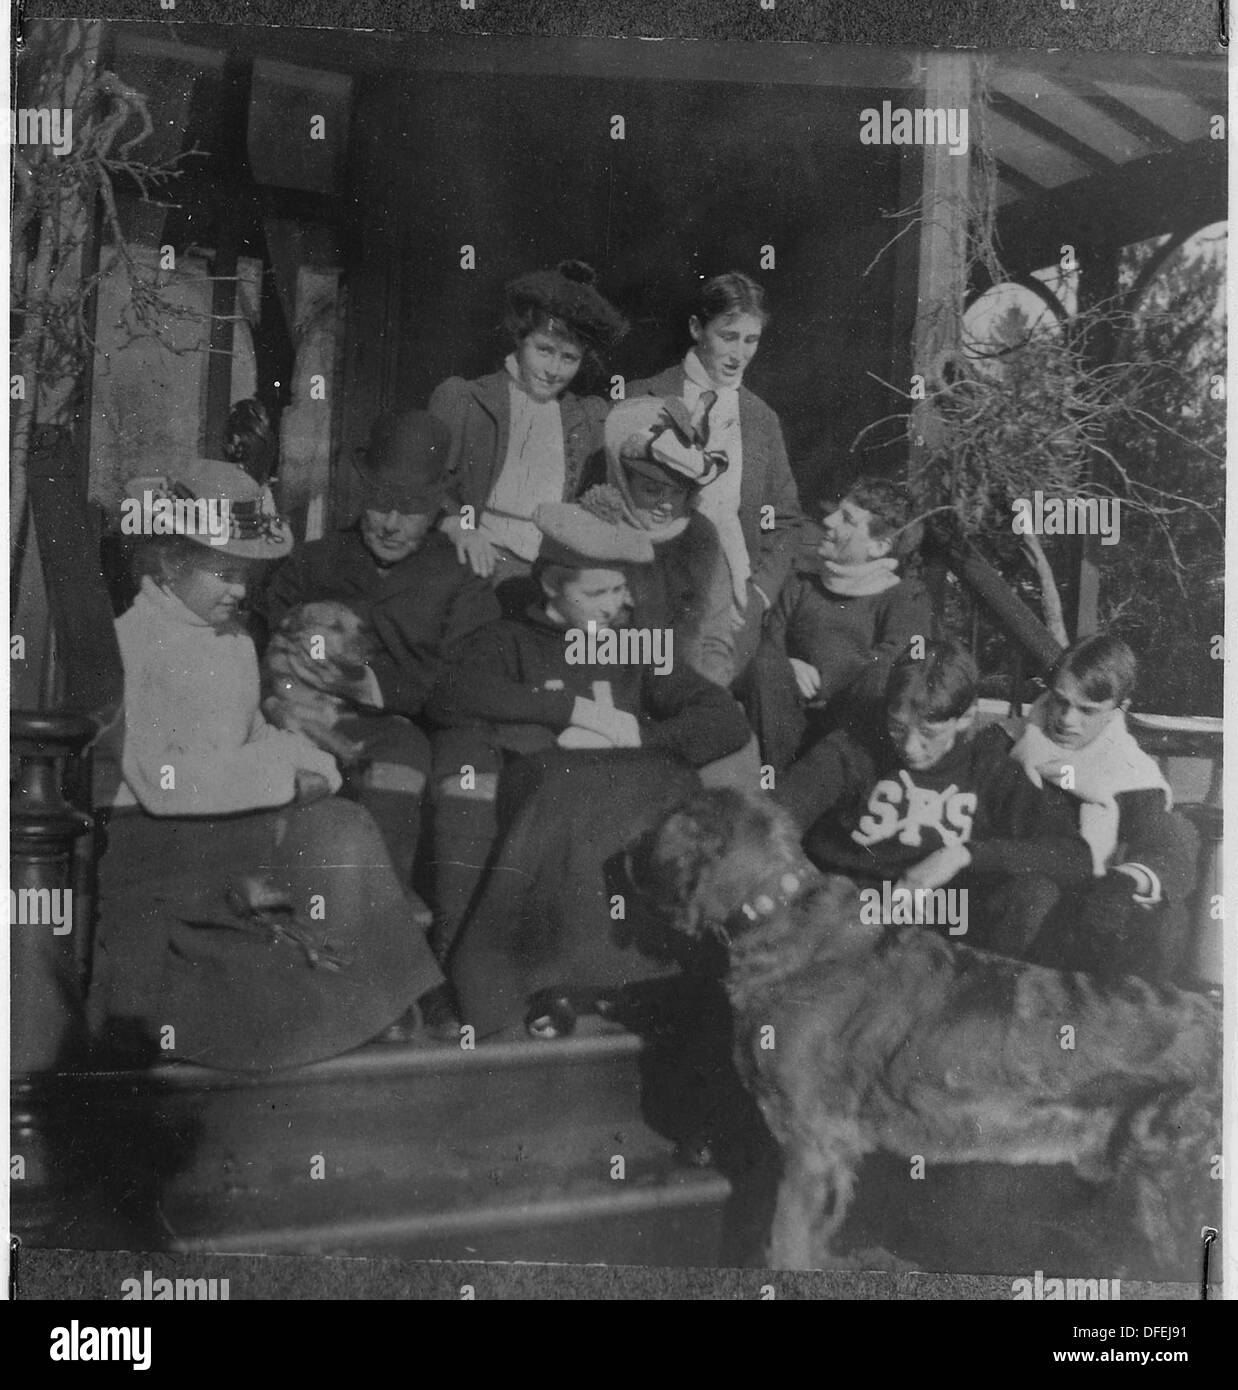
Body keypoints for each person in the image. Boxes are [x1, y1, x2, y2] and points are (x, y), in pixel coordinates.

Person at [90, 461, 445, 1071]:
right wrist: (282, 781)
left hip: (222, 815)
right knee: (339, 830)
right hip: (150, 837)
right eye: (222, 573)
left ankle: (376, 998)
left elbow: (255, 731)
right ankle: (369, 1003)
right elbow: (160, 783)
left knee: (340, 820)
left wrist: (313, 769)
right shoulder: (133, 642)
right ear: (171, 564)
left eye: (245, 576)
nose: (238, 590)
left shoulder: (229, 640)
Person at [424, 499, 752, 1022]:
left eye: (621, 590)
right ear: (551, 586)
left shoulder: (637, 646)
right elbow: (452, 693)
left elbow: (724, 720)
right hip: (554, 827)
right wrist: (570, 711)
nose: (612, 607)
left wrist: (636, 733)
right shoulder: (509, 641)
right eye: (595, 593)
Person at [261, 410, 500, 886]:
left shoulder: (459, 579)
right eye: (380, 503)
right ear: (362, 494)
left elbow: (463, 683)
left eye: (410, 510)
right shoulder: (313, 562)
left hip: (417, 732)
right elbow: (265, 641)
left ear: (437, 511)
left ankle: (392, 914)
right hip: (305, 724)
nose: (391, 524)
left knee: (411, 771)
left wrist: (370, 684)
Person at [775, 639, 1094, 954]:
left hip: (944, 931)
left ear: (967, 716)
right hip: (853, 917)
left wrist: (962, 855)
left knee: (1034, 893)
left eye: (929, 732)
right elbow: (771, 819)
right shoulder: (850, 750)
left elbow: (1074, 855)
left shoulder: (990, 770)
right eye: (898, 728)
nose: (910, 747)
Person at [626, 271, 803, 677]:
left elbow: (787, 520)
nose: (738, 354)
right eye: (728, 336)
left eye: (750, 340)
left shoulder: (759, 419)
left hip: (732, 595)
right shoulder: (643, 396)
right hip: (651, 584)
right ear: (696, 328)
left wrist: (758, 593)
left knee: (711, 694)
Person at [428, 259, 627, 612]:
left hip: (549, 576)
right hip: (477, 560)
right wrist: (459, 525)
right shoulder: (467, 400)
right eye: (544, 350)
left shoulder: (586, 419)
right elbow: (430, 487)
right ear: (521, 338)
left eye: (569, 358)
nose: (553, 370)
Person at [1002, 634, 1199, 984]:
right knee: (1033, 894)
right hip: (1022, 906)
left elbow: (1167, 843)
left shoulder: (1132, 773)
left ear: (1118, 709)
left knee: (1169, 918)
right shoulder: (1008, 744)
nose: (1066, 719)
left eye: (1087, 710)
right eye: (1060, 701)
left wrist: (1126, 880)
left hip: (1093, 911)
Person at [746, 476, 936, 770]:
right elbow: (770, 639)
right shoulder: (802, 585)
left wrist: (827, 680)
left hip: (848, 737)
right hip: (784, 723)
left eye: (846, 519)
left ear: (878, 547)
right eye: (837, 511)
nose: (829, 520)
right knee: (763, 665)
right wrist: (787, 666)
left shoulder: (904, 598)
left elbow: (893, 664)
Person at [597, 393, 735, 688]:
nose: (666, 505)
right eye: (651, 490)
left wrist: (705, 696)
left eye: (676, 493)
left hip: (686, 690)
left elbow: (715, 639)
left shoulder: (702, 538)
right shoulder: (596, 531)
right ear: (623, 480)